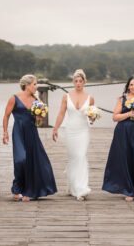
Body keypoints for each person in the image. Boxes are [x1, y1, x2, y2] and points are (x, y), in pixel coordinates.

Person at [2, 74, 57, 201]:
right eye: (34, 84)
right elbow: (6, 116)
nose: (36, 87)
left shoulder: (37, 101)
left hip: (32, 132)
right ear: (27, 85)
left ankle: (28, 191)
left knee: (34, 161)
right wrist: (5, 132)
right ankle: (17, 187)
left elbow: (39, 121)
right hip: (18, 132)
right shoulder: (14, 98)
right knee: (20, 159)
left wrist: (39, 116)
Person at [102, 76, 134, 201]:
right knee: (126, 159)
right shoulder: (122, 99)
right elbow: (115, 117)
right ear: (128, 86)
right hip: (123, 131)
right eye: (131, 85)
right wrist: (128, 114)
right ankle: (129, 190)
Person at [53, 69, 95, 201]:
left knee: (81, 156)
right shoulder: (66, 96)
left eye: (80, 81)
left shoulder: (90, 98)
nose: (78, 83)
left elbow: (91, 116)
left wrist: (93, 118)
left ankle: (81, 189)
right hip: (70, 130)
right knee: (73, 158)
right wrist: (55, 128)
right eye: (76, 81)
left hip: (83, 131)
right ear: (73, 82)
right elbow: (61, 113)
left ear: (84, 82)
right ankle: (73, 186)